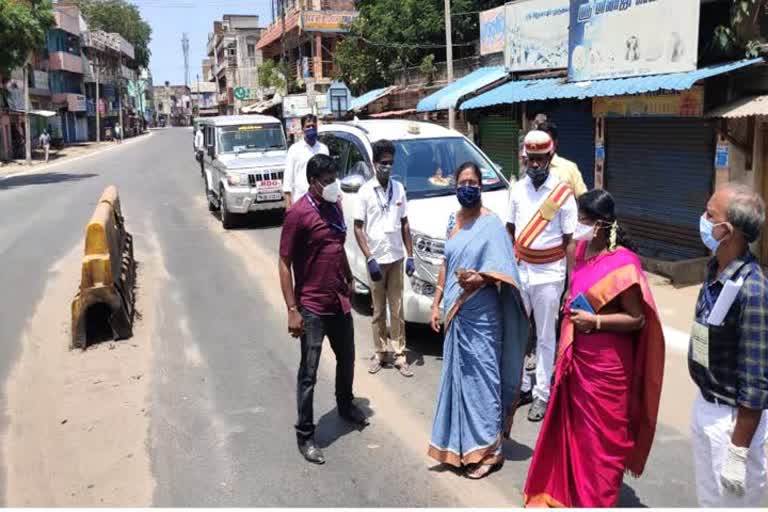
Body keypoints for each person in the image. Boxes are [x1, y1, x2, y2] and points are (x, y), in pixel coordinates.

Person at [524, 189, 665, 507]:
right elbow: (575, 286)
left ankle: (597, 500)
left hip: (608, 367)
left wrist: (595, 322)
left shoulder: (624, 264)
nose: (577, 225)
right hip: (578, 359)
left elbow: (636, 318)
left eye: (582, 220)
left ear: (600, 224)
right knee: (577, 436)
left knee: (602, 441)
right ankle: (572, 493)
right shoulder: (581, 250)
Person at [427, 162, 528, 480]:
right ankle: (460, 447)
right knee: (459, 382)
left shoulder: (493, 225)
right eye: (462, 182)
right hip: (456, 313)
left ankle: (491, 451)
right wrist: (436, 301)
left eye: (472, 182)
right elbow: (446, 261)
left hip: (483, 315)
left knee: (484, 383)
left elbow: (507, 271)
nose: (467, 187)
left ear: (480, 187)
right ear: (455, 186)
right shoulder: (453, 222)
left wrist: (481, 278)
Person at [278, 154, 369, 465]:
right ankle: (305, 435)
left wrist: (347, 276)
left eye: (334, 178)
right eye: (327, 180)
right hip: (313, 307)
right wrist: (292, 308)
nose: (333, 185)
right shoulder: (299, 214)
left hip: (339, 300)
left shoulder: (334, 206)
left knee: (348, 358)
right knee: (310, 373)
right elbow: (284, 262)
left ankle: (345, 405)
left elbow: (337, 244)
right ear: (313, 183)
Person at [689, 183, 768, 507]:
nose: (702, 219)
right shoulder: (713, 270)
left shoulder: (753, 289)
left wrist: (737, 450)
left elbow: (756, 377)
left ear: (728, 231)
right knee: (709, 502)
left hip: (734, 424)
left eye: (710, 215)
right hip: (707, 405)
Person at [506, 130, 577, 422]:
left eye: (540, 159)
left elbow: (570, 239)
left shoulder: (562, 193)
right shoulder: (517, 189)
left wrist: (572, 282)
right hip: (522, 271)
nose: (534, 165)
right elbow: (510, 230)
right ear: (525, 158)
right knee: (520, 333)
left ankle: (542, 394)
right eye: (530, 159)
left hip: (550, 274)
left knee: (546, 337)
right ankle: (522, 386)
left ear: (550, 157)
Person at [353, 139, 416, 377]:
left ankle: (400, 354)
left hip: (396, 258)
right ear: (374, 163)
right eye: (383, 163)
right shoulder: (365, 192)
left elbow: (405, 223)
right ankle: (380, 352)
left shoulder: (398, 189)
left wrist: (411, 255)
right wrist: (369, 258)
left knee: (397, 309)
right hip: (377, 260)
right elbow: (358, 227)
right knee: (378, 310)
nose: (387, 167)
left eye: (391, 163)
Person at [282, 114, 329, 209]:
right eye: (308, 126)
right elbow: (287, 180)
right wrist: (288, 207)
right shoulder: (294, 150)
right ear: (303, 129)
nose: (311, 128)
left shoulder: (323, 149)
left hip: (320, 202)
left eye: (313, 126)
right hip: (300, 202)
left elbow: (328, 175)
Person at [536, 120, 587, 198]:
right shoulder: (531, 168)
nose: (544, 146)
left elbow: (583, 198)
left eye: (547, 142)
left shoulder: (569, 168)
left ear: (555, 143)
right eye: (541, 142)